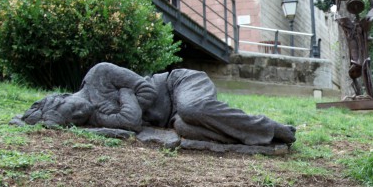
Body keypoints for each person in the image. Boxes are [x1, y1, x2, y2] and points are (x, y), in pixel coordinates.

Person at [20, 63, 296, 147]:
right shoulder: (96, 119)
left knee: (191, 110)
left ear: (62, 98)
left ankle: (271, 128)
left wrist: (128, 95)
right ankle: (261, 138)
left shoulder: (99, 75)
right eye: (72, 123)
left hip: (178, 84)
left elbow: (146, 89)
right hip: (170, 119)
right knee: (187, 129)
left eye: (69, 112)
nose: (79, 117)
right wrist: (126, 96)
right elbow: (129, 122)